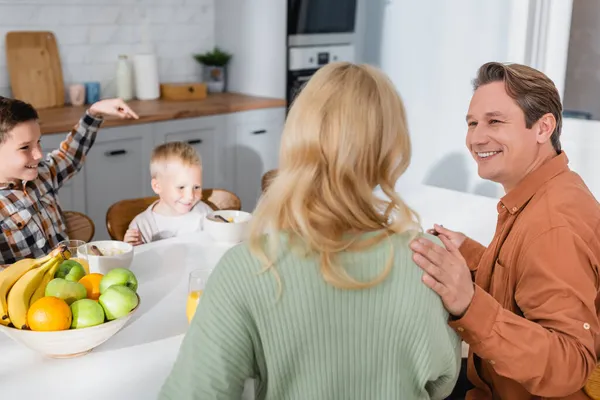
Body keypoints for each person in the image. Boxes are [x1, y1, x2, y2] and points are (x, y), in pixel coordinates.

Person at [158, 62, 461, 400]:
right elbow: (442, 382)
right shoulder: (428, 259)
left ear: (296, 139)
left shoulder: (247, 267)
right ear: (391, 150)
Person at [410, 61, 600, 399]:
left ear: (543, 128)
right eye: (472, 123)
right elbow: (531, 276)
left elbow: (569, 364)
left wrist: (469, 305)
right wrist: (473, 256)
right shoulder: (543, 194)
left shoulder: (554, 224)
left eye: (494, 122)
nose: (476, 138)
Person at [0, 97, 138, 267]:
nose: (38, 155)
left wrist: (94, 113)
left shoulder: (43, 175)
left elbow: (70, 155)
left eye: (38, 143)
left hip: (73, 278)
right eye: (25, 147)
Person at [124, 141, 213, 246]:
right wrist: (132, 248)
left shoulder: (204, 213)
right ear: (157, 186)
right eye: (181, 187)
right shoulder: (142, 225)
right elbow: (136, 260)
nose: (190, 196)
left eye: (196, 187)